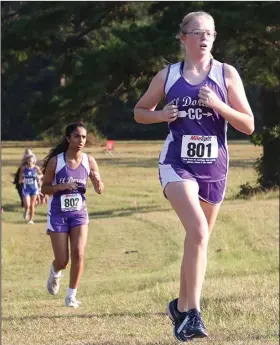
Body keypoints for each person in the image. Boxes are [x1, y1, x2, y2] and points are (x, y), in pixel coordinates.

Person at [134, 11, 254, 341]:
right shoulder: (168, 76)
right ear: (183, 37)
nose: (204, 38)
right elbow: (139, 112)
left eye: (210, 33)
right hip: (177, 164)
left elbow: (248, 124)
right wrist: (161, 115)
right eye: (197, 32)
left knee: (197, 239)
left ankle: (180, 307)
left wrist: (219, 104)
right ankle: (194, 312)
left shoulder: (226, 74)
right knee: (198, 229)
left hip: (214, 169)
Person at [41, 123, 104, 308]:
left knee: (79, 253)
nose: (81, 140)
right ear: (68, 138)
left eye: (83, 137)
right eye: (77, 136)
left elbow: (100, 188)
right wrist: (59, 187)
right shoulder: (56, 162)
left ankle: (71, 296)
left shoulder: (89, 161)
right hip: (58, 215)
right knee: (63, 261)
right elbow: (44, 188)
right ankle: (55, 272)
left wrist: (98, 182)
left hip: (79, 214)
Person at [19, 155, 43, 224]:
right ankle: (26, 211)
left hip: (34, 189)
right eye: (29, 160)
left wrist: (39, 176)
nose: (30, 162)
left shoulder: (36, 168)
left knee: (32, 205)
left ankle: (31, 220)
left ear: (34, 161)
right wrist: (21, 180)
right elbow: (20, 178)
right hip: (26, 189)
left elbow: (42, 175)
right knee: (27, 205)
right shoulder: (23, 168)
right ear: (27, 161)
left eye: (31, 160)